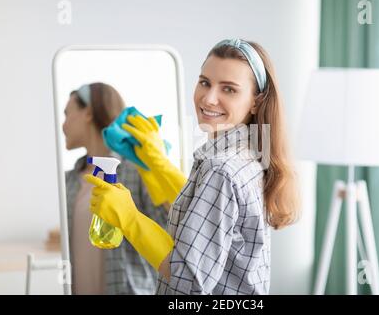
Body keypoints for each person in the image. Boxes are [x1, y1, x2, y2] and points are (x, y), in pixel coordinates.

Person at [84, 39, 300, 295]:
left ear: (256, 101)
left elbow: (187, 279)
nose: (208, 99)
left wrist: (130, 218)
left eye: (229, 89)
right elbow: (202, 225)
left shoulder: (221, 170)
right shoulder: (247, 156)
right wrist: (158, 168)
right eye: (205, 82)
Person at [63, 82, 168, 294]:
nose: (63, 125)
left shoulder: (137, 171)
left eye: (67, 114)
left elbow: (172, 231)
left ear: (88, 113)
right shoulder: (70, 179)